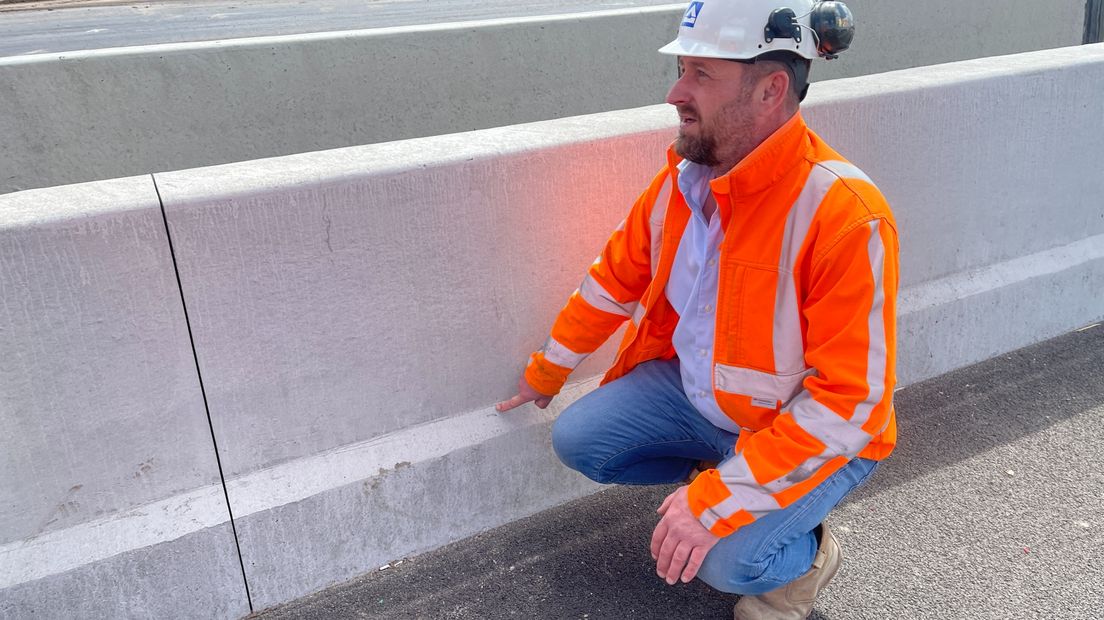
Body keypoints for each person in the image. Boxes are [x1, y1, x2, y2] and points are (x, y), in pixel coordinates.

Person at [497, 1, 898, 617]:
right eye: (682, 69)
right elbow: (614, 279)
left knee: (726, 563)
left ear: (771, 89)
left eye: (701, 75)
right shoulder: (682, 183)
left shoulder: (845, 214)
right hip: (704, 398)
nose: (674, 92)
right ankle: (735, 480)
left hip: (813, 434)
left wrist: (714, 503)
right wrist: (548, 369)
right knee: (582, 439)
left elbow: (852, 405)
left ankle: (806, 558)